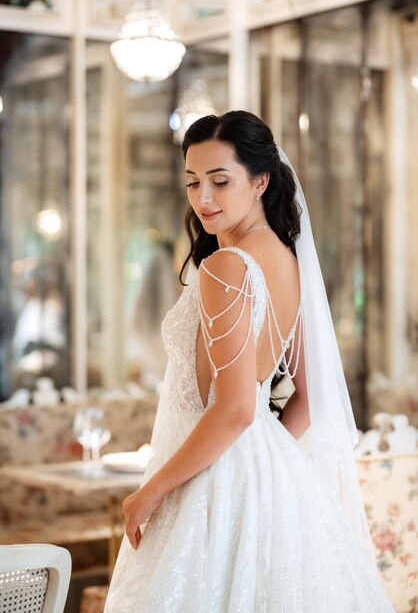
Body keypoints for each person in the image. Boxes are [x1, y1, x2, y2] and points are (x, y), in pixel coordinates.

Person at [105, 111, 395, 612]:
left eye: (221, 181)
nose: (204, 199)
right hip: (270, 481)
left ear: (260, 181)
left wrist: (150, 491)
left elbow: (236, 409)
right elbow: (306, 398)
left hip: (208, 483)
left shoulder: (225, 267)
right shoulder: (288, 261)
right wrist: (265, 460)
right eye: (194, 182)